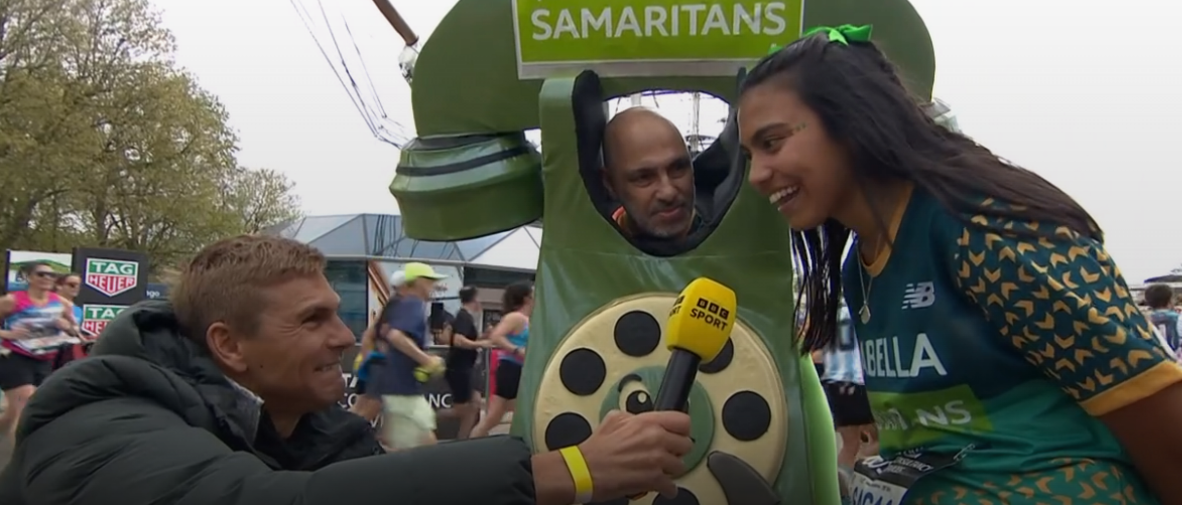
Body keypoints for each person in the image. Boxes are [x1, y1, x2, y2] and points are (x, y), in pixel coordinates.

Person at [736, 24, 1182, 505]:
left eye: (773, 142)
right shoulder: (858, 268)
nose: (758, 174)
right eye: (749, 154)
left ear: (850, 117)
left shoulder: (985, 230)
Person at [0, 235, 696, 505]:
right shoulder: (98, 417)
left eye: (337, 313)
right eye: (311, 321)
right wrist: (569, 470)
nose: (344, 338)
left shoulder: (315, 431)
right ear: (230, 346)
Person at [372, 262, 446, 450]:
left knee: (397, 441)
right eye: (430, 281)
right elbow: (396, 336)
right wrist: (427, 360)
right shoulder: (413, 303)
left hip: (395, 384)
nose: (433, 286)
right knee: (425, 441)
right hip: (402, 388)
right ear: (418, 282)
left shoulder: (399, 304)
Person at [0, 263, 77, 440]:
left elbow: (75, 330)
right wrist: (8, 333)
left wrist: (67, 327)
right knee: (25, 411)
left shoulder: (61, 303)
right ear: (29, 277)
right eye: (41, 274)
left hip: (45, 360)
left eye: (51, 275)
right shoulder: (12, 300)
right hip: (15, 358)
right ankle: (18, 465)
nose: (47, 278)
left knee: (12, 415)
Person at [602, 107, 699, 244]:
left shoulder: (726, 232)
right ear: (611, 185)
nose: (668, 193)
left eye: (678, 168)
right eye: (644, 177)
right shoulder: (594, 248)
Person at [470, 281, 532, 438]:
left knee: (519, 414)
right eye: (533, 293)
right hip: (511, 368)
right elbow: (496, 336)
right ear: (527, 298)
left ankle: (515, 444)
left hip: (519, 370)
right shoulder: (515, 317)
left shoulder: (527, 318)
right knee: (493, 417)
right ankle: (470, 445)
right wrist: (517, 350)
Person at [822, 304, 877, 475]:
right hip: (855, 380)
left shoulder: (829, 313)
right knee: (876, 439)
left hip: (833, 382)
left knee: (850, 444)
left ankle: (842, 492)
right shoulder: (861, 308)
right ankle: (862, 481)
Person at [444, 286, 489, 439]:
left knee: (475, 404)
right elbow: (458, 340)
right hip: (459, 368)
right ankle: (427, 417)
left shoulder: (466, 317)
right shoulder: (464, 316)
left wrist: (484, 338)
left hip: (465, 367)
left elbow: (467, 340)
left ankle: (464, 438)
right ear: (474, 299)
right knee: (462, 409)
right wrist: (480, 344)